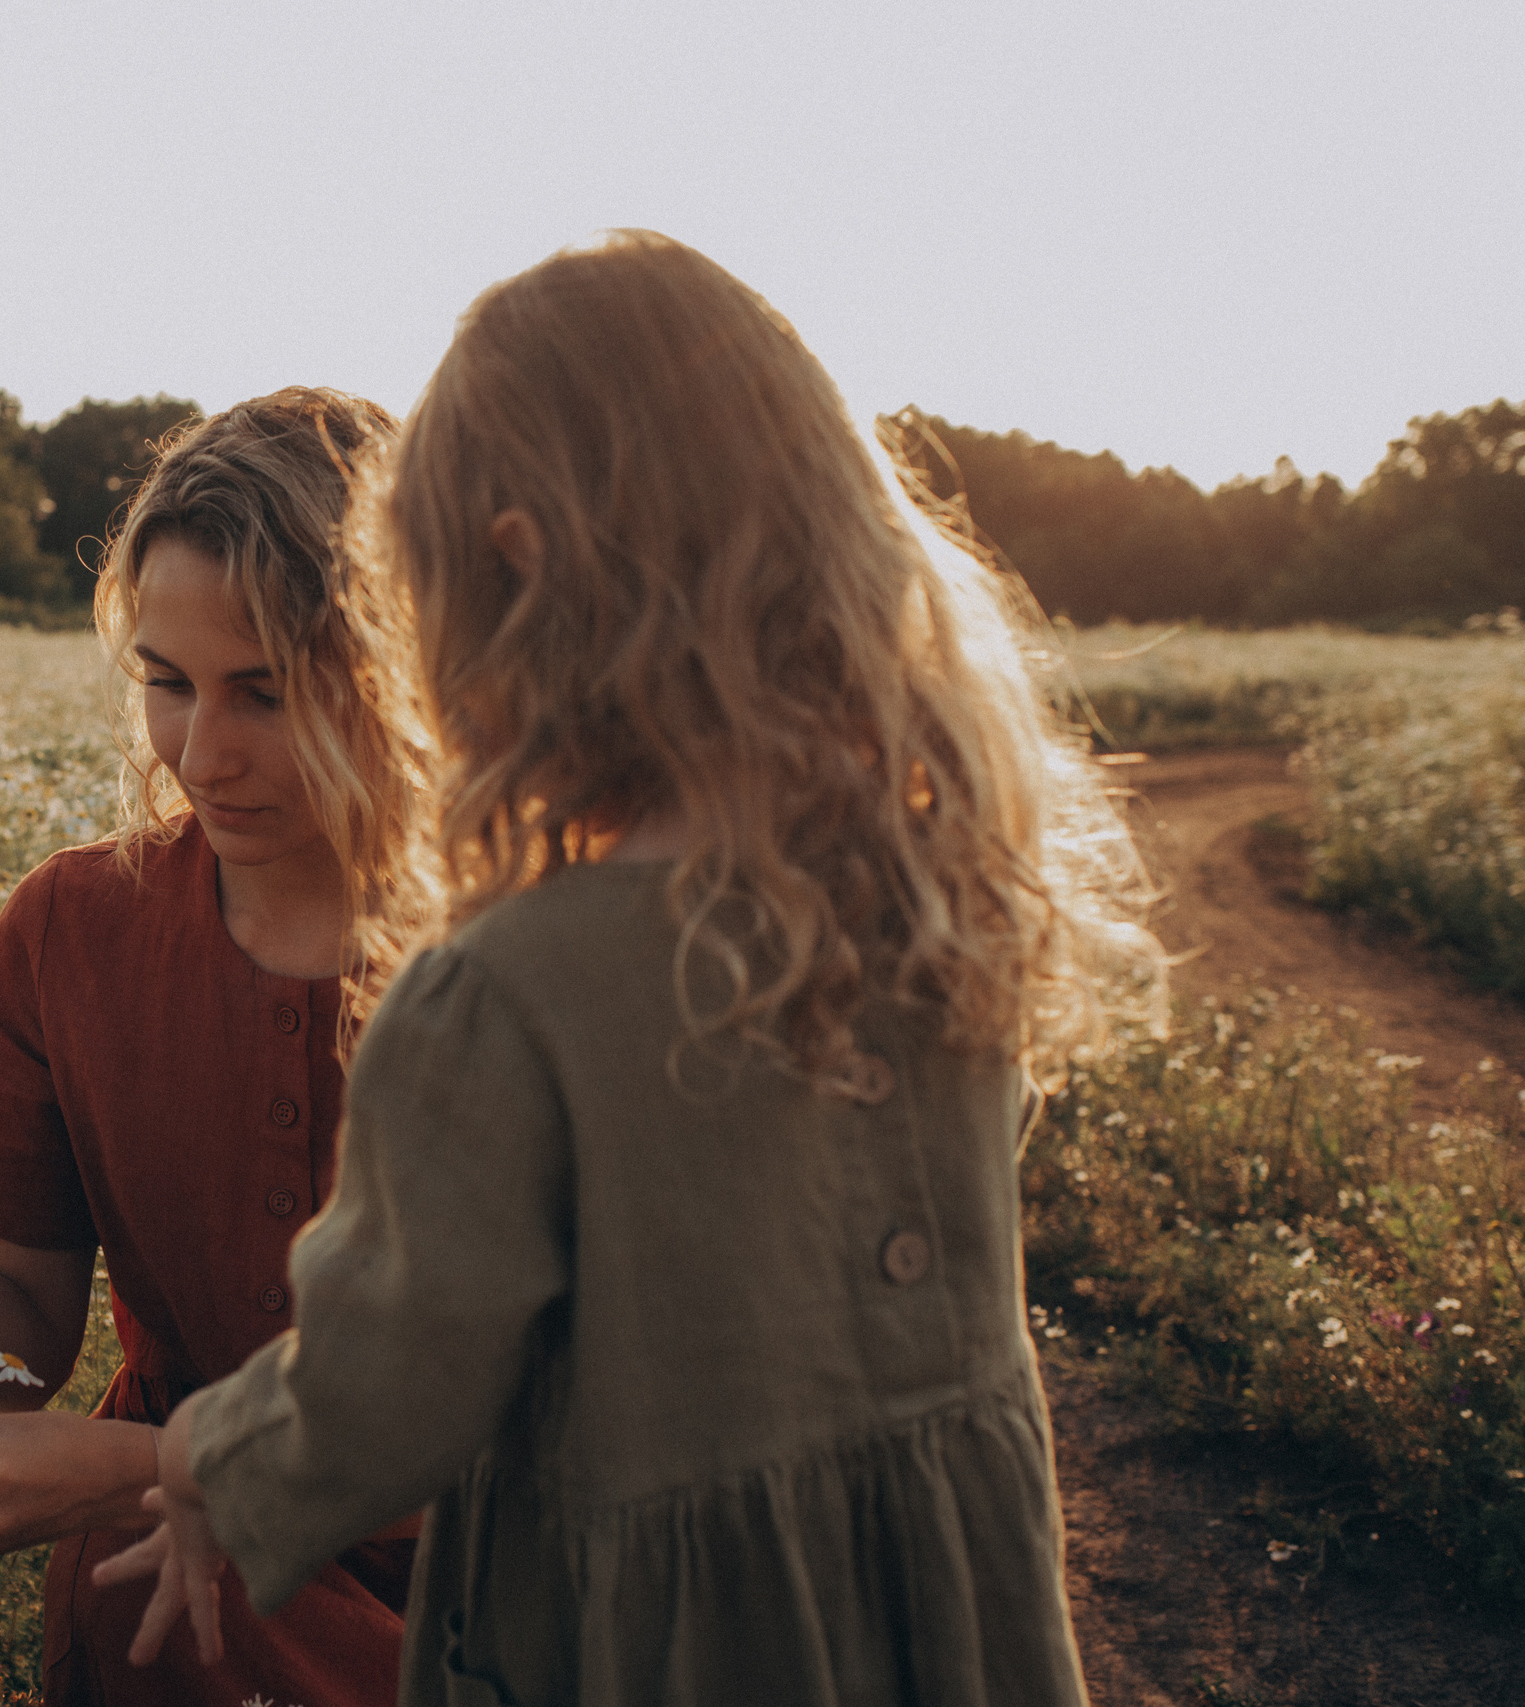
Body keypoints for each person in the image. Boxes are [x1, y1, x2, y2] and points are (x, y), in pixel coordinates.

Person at [94, 232, 1166, 1705]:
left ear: (517, 574)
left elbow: (391, 1383)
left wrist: (214, 1475)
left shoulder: (507, 991)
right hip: (951, 1621)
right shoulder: (933, 891)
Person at [0, 388, 434, 1705]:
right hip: (175, 1618)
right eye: (167, 686)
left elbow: (581, 1410)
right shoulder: (73, 928)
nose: (202, 754)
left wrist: (128, 1471)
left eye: (267, 694)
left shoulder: (519, 948)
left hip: (506, 1605)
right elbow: (20, 1347)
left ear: (405, 674)